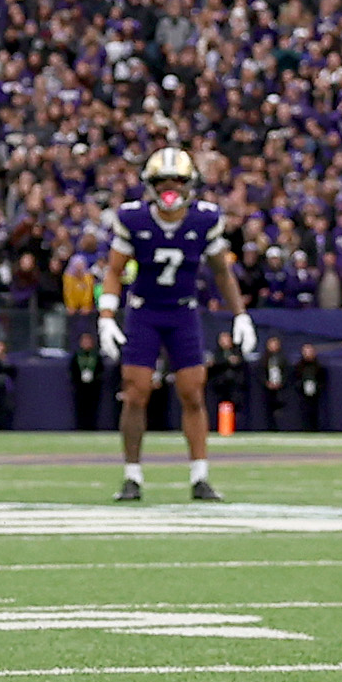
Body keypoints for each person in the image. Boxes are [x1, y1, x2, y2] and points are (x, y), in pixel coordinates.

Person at [97, 149, 254, 501]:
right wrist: (106, 315)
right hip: (145, 311)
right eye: (162, 182)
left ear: (190, 185)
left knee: (193, 391)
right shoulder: (133, 218)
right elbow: (113, 270)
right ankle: (132, 475)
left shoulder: (205, 219)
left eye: (178, 181)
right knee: (136, 391)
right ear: (150, 186)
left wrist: (240, 313)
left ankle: (200, 475)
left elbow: (221, 272)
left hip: (183, 312)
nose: (170, 188)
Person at [70, 331, 104, 431]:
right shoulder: (77, 356)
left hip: (93, 387)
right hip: (80, 387)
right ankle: (80, 427)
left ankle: (92, 427)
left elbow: (101, 370)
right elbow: (72, 370)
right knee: (80, 408)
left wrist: (94, 377)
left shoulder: (96, 356)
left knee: (93, 408)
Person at [291, 343, 326, 430]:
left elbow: (322, 380)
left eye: (309, 351)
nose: (308, 353)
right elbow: (295, 379)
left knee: (315, 413)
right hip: (302, 395)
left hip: (315, 396)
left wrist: (315, 387)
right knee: (304, 413)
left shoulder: (319, 367)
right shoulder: (299, 366)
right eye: (306, 351)